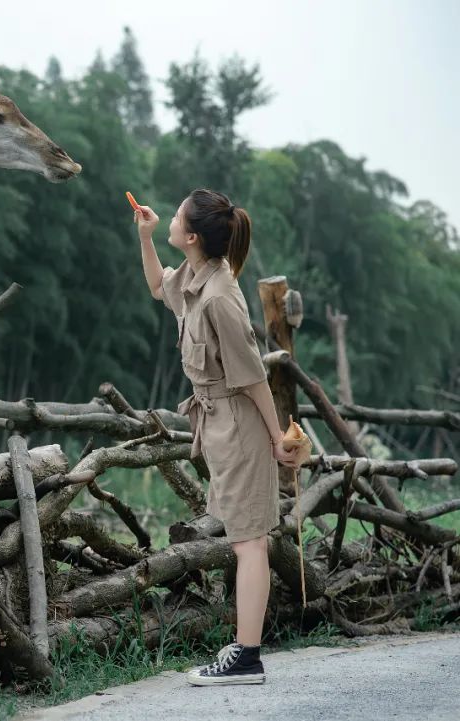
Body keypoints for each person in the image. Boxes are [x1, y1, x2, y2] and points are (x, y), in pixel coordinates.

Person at [135, 188, 302, 686]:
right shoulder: (195, 274)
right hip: (220, 424)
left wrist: (277, 440)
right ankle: (244, 649)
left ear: (191, 236)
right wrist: (145, 237)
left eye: (177, 215)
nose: (171, 215)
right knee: (242, 541)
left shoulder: (221, 297)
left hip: (241, 424)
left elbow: (253, 378)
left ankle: (247, 657)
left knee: (250, 543)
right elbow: (157, 287)